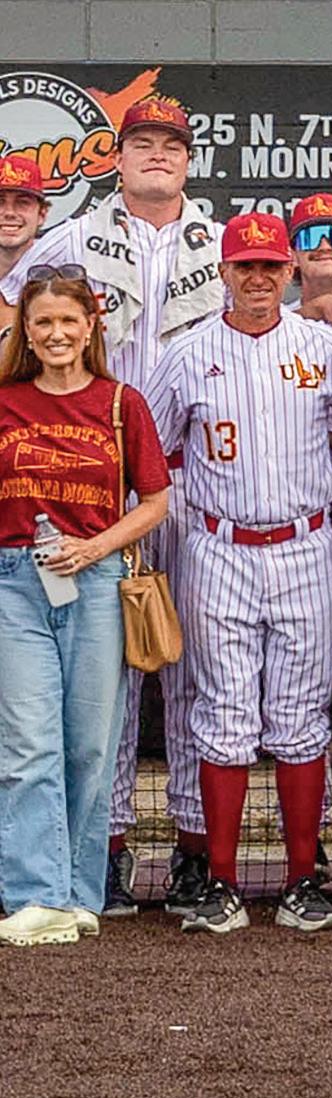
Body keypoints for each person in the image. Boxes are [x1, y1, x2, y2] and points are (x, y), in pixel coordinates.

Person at [1, 97, 222, 918]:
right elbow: (16, 311)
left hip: (189, 481)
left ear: (188, 159)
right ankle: (110, 853)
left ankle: (196, 851)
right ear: (118, 156)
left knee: (190, 669)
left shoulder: (220, 241)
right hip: (81, 483)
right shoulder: (68, 241)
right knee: (100, 699)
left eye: (172, 143)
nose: (158, 154)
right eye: (143, 142)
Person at [143, 212, 332, 935]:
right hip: (218, 544)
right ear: (225, 273)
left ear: (290, 271)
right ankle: (221, 880)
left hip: (305, 540)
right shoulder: (186, 352)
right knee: (224, 713)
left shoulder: (322, 347)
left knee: (301, 715)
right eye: (247, 266)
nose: (260, 278)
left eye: (271, 266)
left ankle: (303, 879)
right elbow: (151, 451)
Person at [0, 268, 170, 945]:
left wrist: (97, 546)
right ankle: (34, 892)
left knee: (90, 745)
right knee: (28, 742)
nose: (56, 333)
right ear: (25, 331)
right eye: (43, 321)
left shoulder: (121, 403)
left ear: (91, 325)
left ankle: (76, 893)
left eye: (68, 320)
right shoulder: (5, 402)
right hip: (15, 581)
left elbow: (155, 500)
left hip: (96, 582)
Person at [0, 154, 52, 288]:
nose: (9, 213)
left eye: (22, 202)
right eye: (0, 202)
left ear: (42, 214)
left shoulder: (62, 276)